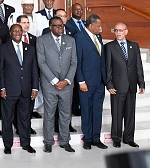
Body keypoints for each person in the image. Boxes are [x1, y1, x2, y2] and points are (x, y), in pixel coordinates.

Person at [37, 16, 77, 153]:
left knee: (66, 114)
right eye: (57, 26)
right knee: (49, 114)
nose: (61, 28)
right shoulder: (41, 40)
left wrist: (66, 81)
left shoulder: (70, 40)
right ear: (50, 27)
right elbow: (41, 62)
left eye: (62, 25)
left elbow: (74, 62)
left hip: (66, 84)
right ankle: (48, 142)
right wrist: (55, 81)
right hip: (50, 85)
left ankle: (64, 141)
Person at [0, 24, 39, 154]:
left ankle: (26, 143)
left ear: (22, 33)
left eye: (19, 31)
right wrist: (2, 87)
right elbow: (0, 70)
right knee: (7, 118)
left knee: (25, 118)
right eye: (15, 31)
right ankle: (8, 145)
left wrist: (35, 87)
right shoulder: (3, 48)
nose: (17, 33)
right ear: (10, 33)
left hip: (26, 90)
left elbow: (34, 69)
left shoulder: (30, 48)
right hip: (9, 90)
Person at [105, 22, 145, 148]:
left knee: (130, 114)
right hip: (117, 86)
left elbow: (138, 66)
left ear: (126, 31)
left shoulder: (134, 46)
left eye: (120, 30)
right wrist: (109, 84)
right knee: (117, 114)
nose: (118, 33)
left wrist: (141, 83)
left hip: (131, 86)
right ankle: (116, 138)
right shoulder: (110, 47)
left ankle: (129, 138)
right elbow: (108, 68)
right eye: (116, 30)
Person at [75, 14, 107, 150]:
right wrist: (81, 81)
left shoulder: (98, 37)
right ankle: (87, 139)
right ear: (91, 25)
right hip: (86, 83)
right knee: (87, 111)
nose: (100, 28)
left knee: (97, 111)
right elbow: (77, 62)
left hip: (100, 82)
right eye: (98, 26)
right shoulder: (79, 37)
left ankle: (96, 138)